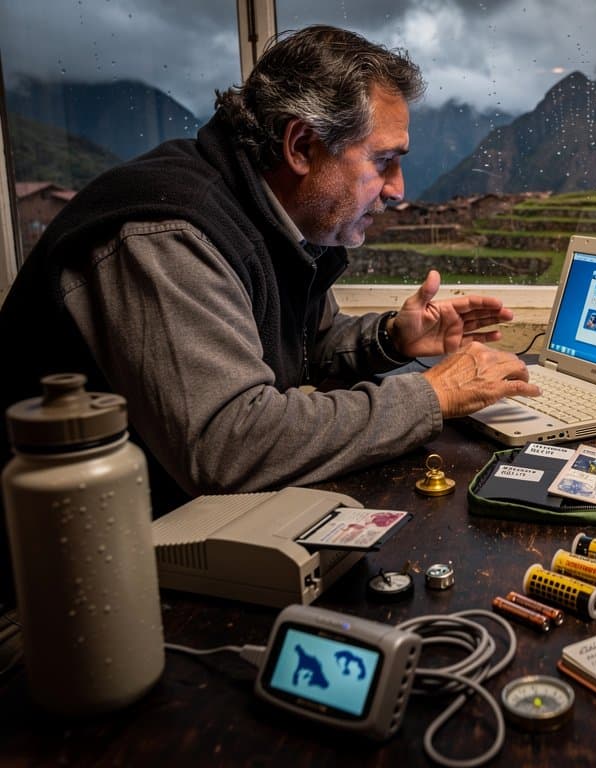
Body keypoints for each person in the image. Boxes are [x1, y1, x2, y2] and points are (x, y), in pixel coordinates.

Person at [0, 26, 541, 602]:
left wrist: (392, 339)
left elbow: (306, 344)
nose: (398, 190)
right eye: (383, 162)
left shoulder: (277, 222)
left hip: (158, 541)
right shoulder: (169, 235)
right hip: (52, 601)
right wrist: (434, 395)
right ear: (301, 146)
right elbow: (229, 443)